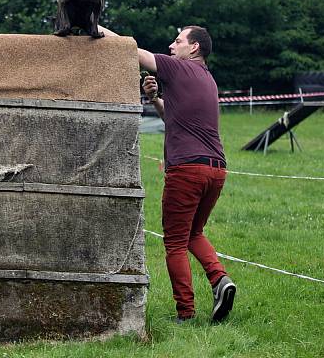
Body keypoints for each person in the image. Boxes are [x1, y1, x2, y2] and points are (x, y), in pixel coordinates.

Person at [101, 24, 236, 323]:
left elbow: (132, 52)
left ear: (195, 48)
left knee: (174, 241)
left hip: (186, 170)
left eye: (178, 41)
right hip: (216, 170)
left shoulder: (176, 68)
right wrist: (154, 99)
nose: (172, 46)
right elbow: (174, 120)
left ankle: (185, 312)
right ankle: (220, 280)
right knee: (193, 233)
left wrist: (92, 25)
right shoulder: (207, 80)